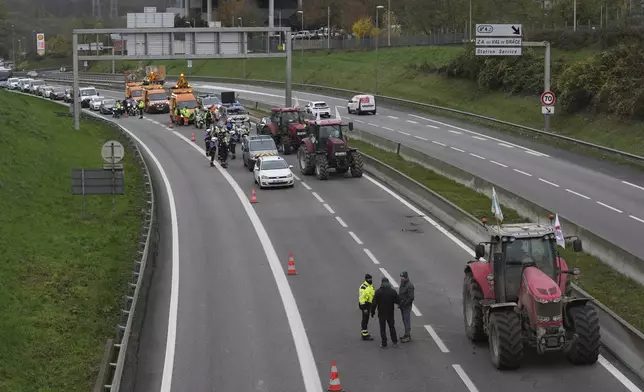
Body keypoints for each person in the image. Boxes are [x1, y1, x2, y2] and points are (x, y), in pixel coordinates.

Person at [371, 277, 400, 348]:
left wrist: (372, 312)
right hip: (390, 313)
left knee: (382, 329)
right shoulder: (392, 291)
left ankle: (384, 343)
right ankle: (395, 341)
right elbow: (398, 301)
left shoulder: (378, 292)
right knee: (392, 327)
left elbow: (374, 304)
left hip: (381, 313)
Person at [398, 271, 415, 343]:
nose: (401, 278)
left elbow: (411, 297)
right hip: (402, 305)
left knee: (407, 320)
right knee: (404, 320)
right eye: (401, 277)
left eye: (402, 277)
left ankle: (408, 336)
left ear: (406, 277)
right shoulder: (402, 283)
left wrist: (404, 304)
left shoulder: (410, 286)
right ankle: (406, 334)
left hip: (406, 306)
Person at [358, 274, 375, 341]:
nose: (370, 280)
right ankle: (364, 335)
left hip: (369, 304)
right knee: (365, 319)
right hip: (365, 305)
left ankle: (364, 332)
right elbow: (361, 299)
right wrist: (364, 308)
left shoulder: (371, 286)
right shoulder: (363, 287)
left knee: (366, 319)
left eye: (371, 279)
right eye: (369, 279)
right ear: (366, 279)